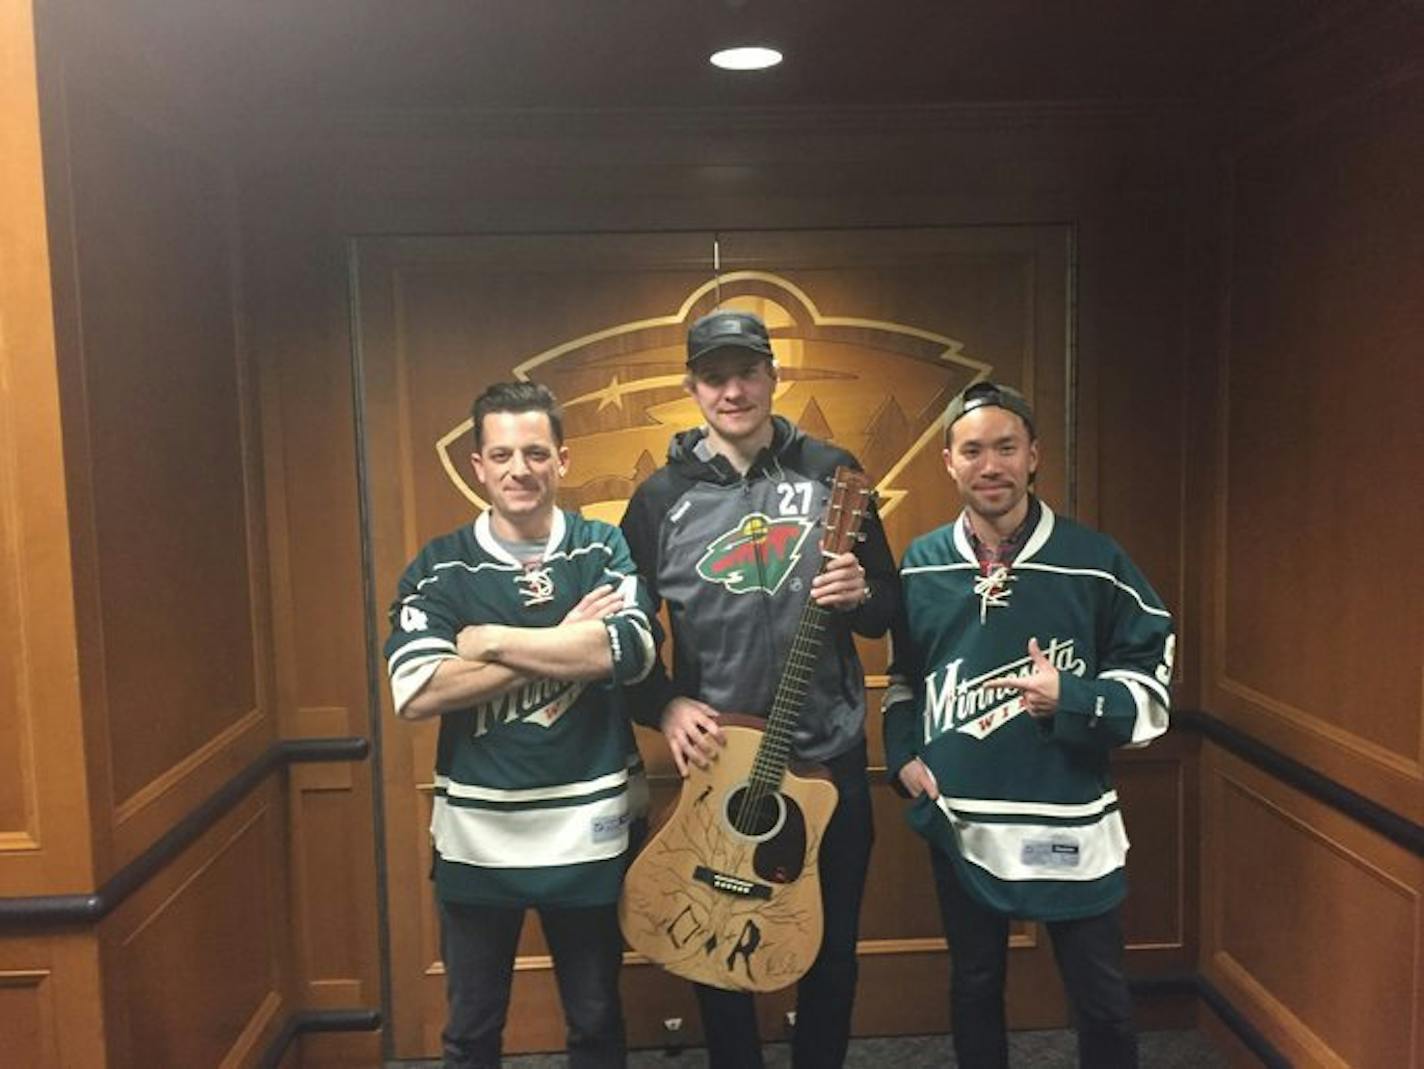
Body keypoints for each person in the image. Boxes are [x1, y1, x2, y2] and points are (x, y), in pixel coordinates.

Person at [620, 309, 899, 1068]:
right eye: (715, 376)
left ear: (775, 376)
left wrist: (859, 593)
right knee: (716, 946)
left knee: (831, 951)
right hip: (722, 763)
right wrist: (664, 703)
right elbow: (623, 637)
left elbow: (890, 611)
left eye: (748, 372)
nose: (733, 390)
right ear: (692, 387)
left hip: (830, 759)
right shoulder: (657, 498)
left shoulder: (834, 471)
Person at [883, 380, 1175, 1069]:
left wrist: (1071, 697)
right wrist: (901, 756)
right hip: (964, 814)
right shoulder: (921, 564)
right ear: (949, 463)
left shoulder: (1095, 561)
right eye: (974, 450)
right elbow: (904, 677)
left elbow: (1151, 673)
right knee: (976, 984)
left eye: (1006, 447)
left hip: (1068, 816)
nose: (992, 465)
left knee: (1100, 997)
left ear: (1034, 455)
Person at [384, 381, 657, 1069]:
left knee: (596, 1019)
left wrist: (491, 641)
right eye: (501, 453)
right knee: (472, 1028)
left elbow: (628, 650)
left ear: (561, 459)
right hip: (478, 837)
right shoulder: (439, 566)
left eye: (535, 452)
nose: (519, 469)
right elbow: (417, 690)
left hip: (590, 827)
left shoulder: (599, 547)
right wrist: (565, 642)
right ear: (479, 465)